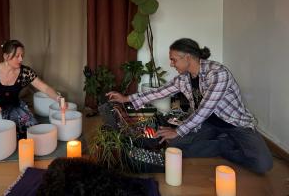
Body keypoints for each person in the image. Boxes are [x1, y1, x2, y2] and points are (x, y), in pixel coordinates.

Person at [106, 38, 273, 174]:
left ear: (188, 57)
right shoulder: (184, 78)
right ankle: (223, 145)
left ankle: (224, 143)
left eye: (173, 59)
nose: (171, 64)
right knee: (174, 146)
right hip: (209, 124)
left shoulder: (217, 73)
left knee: (262, 164)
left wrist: (178, 130)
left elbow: (205, 109)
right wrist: (126, 98)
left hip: (235, 125)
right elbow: (160, 92)